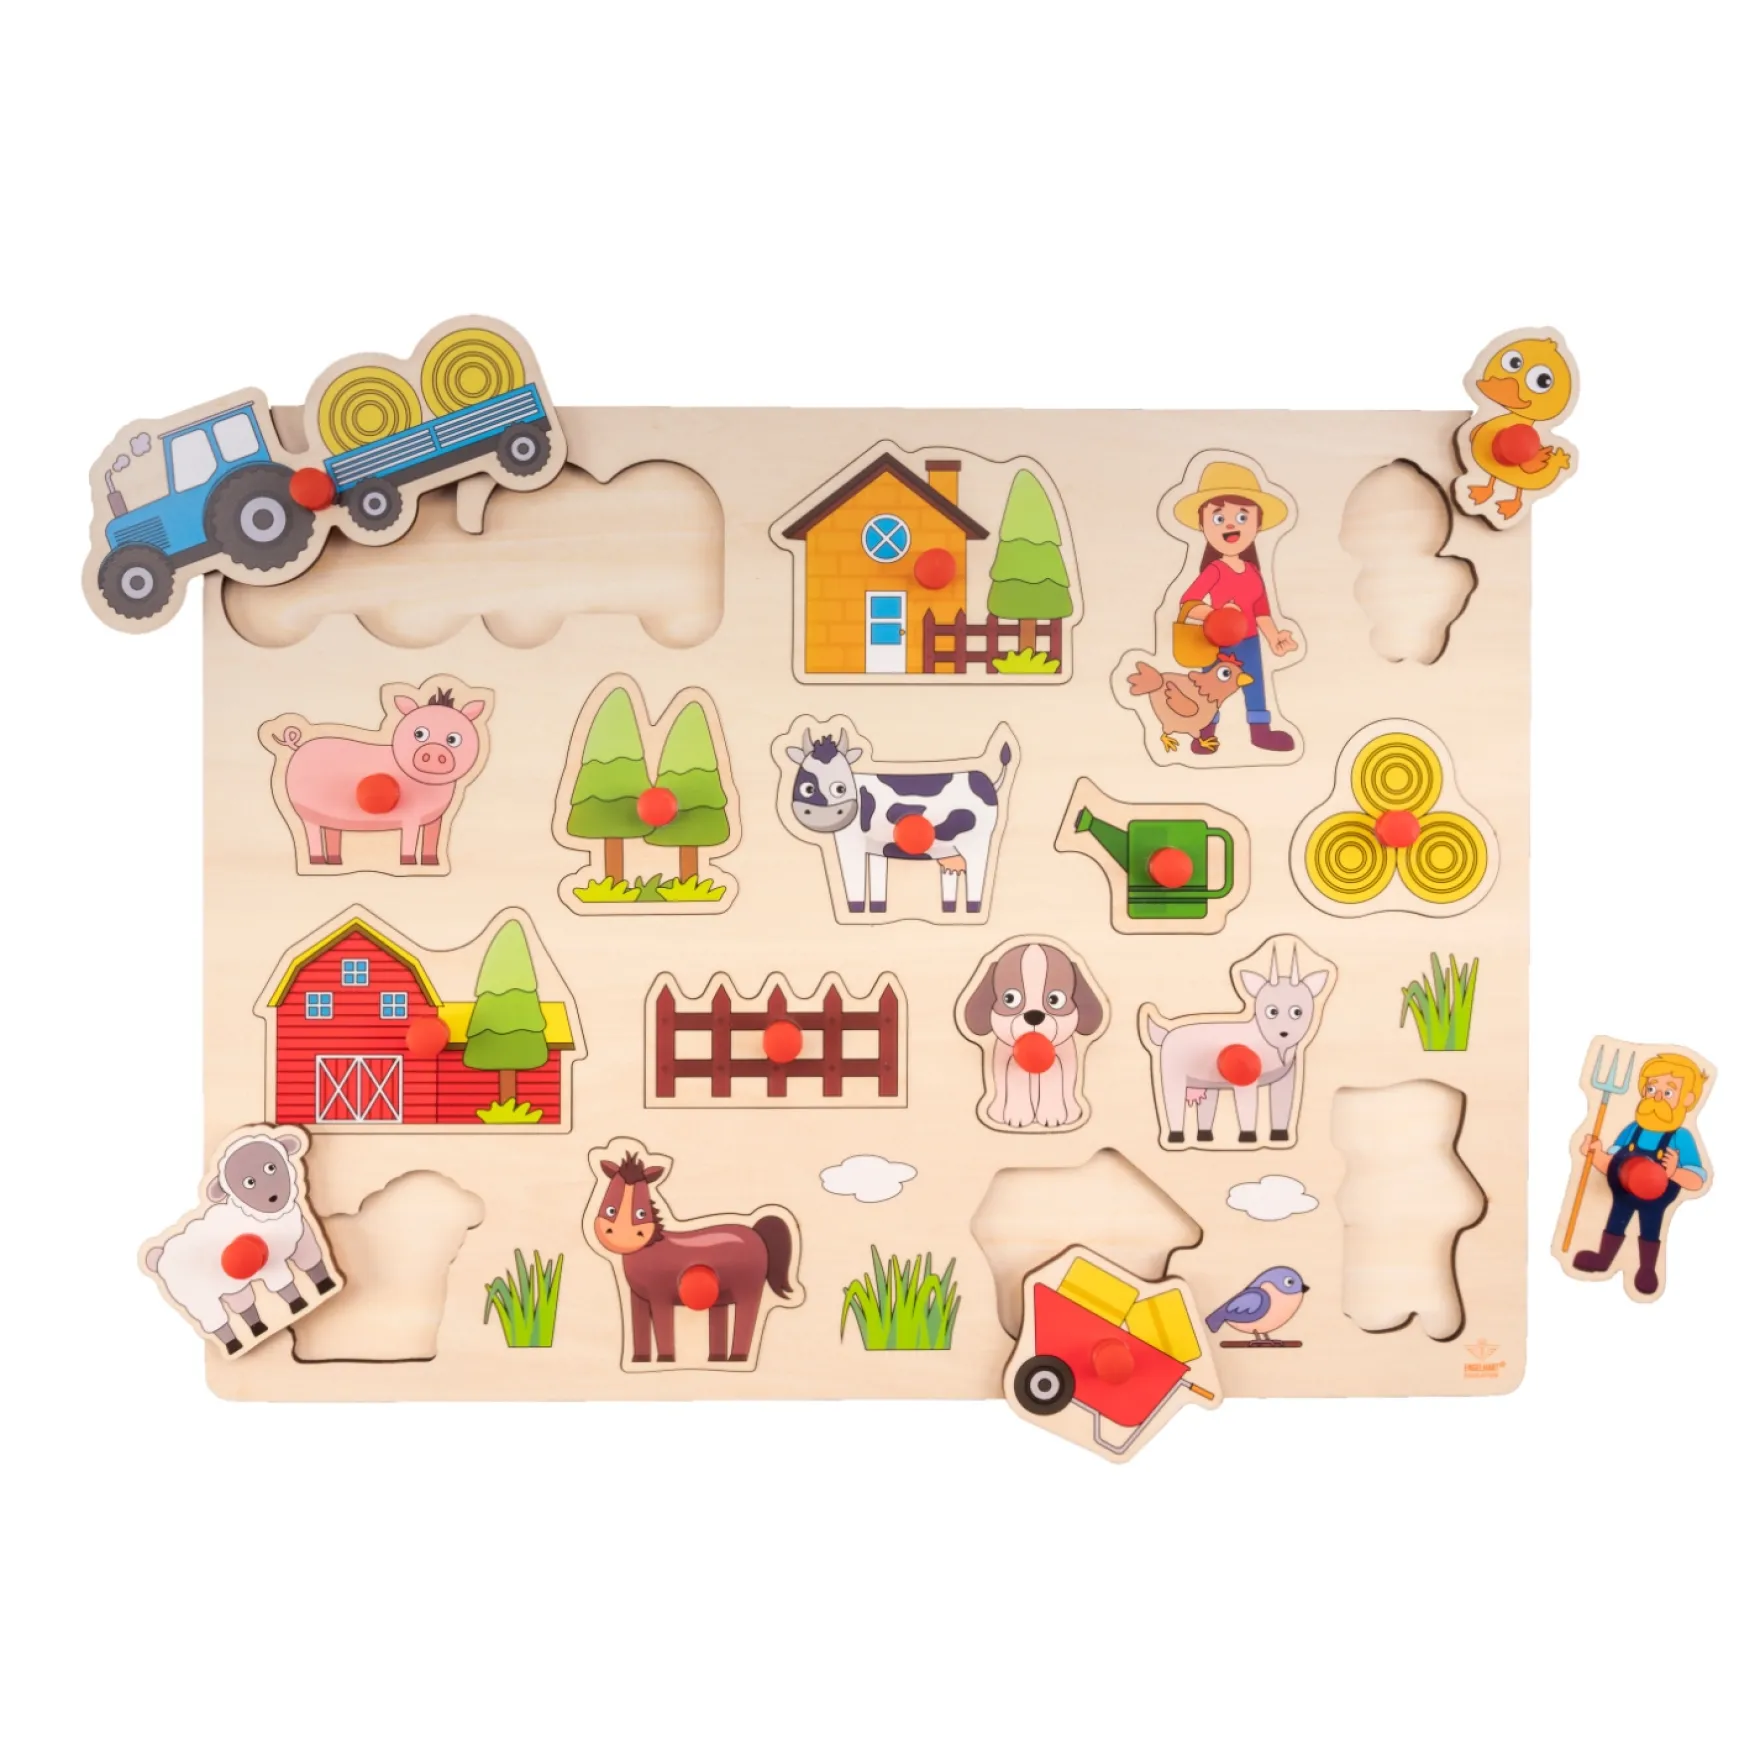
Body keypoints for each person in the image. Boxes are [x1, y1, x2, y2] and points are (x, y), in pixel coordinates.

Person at [1172, 461, 1299, 753]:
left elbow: (1261, 611)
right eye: (1218, 518)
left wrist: (1275, 638)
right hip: (1217, 642)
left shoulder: (1253, 572)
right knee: (1211, 689)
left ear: (1258, 524)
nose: (1231, 525)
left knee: (1255, 687)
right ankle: (1205, 734)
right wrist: (1215, 615)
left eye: (1242, 517)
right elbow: (1188, 603)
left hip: (1250, 641)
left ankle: (1260, 733)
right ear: (1203, 525)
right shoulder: (1215, 570)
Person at [1574, 1053, 1709, 1295]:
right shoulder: (1632, 1129)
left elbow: (1697, 1181)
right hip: (1623, 1192)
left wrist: (1674, 1172)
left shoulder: (1680, 1137)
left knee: (1650, 1228)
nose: (1656, 1097)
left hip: (1657, 1198)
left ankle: (1647, 1269)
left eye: (1668, 1092)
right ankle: (1603, 1259)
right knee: (1615, 1221)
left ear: (1687, 1099)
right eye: (1651, 1089)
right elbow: (1611, 1164)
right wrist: (1594, 1154)